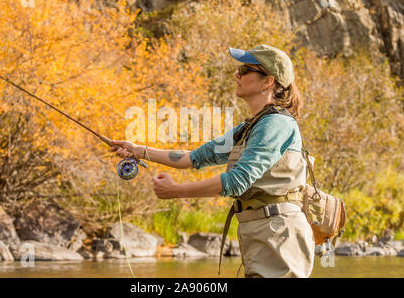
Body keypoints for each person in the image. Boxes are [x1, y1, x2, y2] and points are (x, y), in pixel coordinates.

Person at [110, 44, 315, 278]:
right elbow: (192, 158)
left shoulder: (276, 125)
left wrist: (177, 191)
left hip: (279, 235)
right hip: (260, 232)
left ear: (268, 81)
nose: (236, 75)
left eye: (244, 69)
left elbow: (237, 181)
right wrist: (138, 150)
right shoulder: (249, 128)